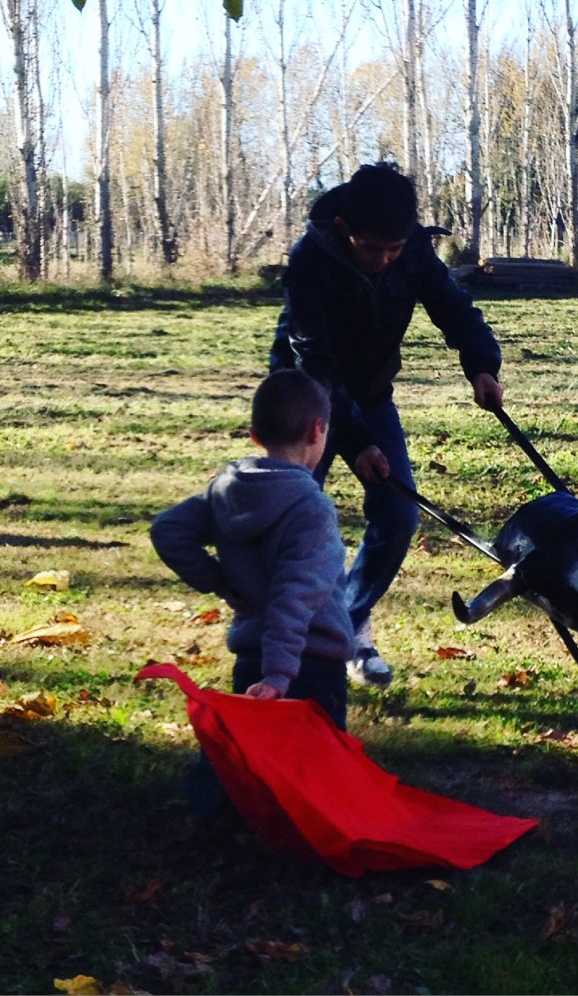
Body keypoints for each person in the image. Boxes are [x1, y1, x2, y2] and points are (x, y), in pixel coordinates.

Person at [269, 162, 503, 689]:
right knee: (294, 522)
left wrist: (481, 364)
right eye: (371, 248)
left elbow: (455, 309)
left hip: (371, 394)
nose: (382, 261)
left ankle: (348, 628)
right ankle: (277, 646)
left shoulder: (413, 249)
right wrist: (355, 443)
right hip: (304, 399)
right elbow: (315, 360)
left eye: (393, 250)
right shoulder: (311, 259)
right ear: (344, 227)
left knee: (398, 518)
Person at [150, 370, 354, 735]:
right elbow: (296, 595)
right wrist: (279, 675)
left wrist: (223, 584)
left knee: (255, 767)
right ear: (317, 430)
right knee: (312, 774)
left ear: (255, 435)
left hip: (251, 658)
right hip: (309, 665)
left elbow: (168, 531)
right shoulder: (311, 507)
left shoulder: (227, 491)